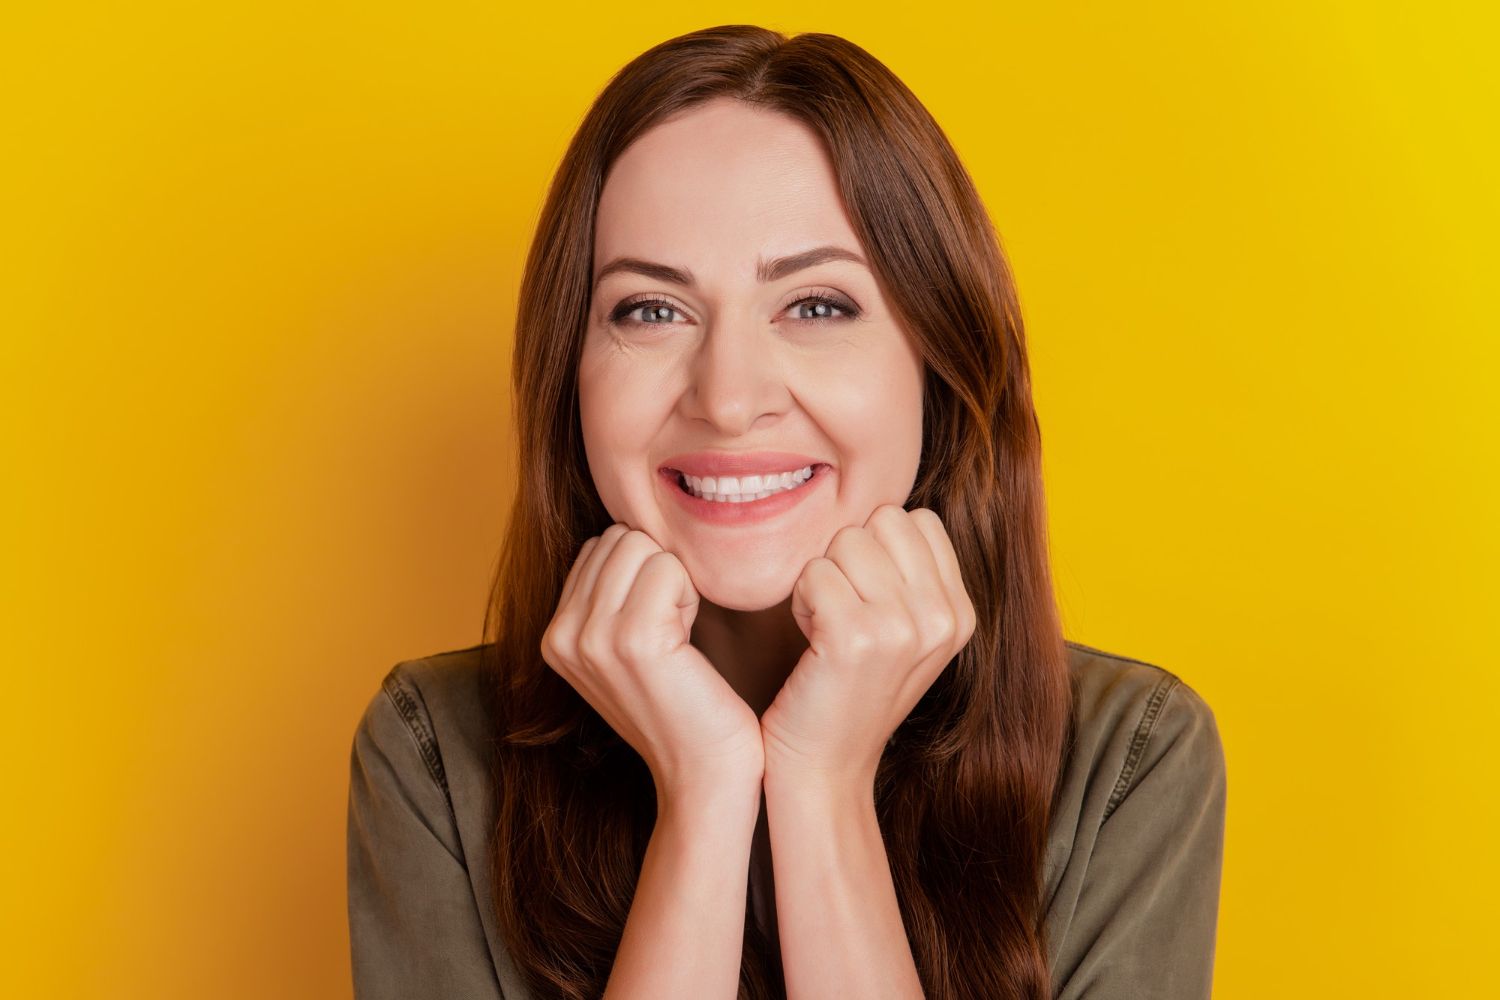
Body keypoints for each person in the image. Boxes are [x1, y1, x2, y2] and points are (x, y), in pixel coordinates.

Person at [347, 24, 1226, 1000]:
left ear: (939, 366)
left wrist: (822, 786)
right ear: (570, 379)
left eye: (815, 306)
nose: (727, 398)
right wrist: (707, 792)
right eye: (650, 309)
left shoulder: (1129, 764)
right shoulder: (435, 754)